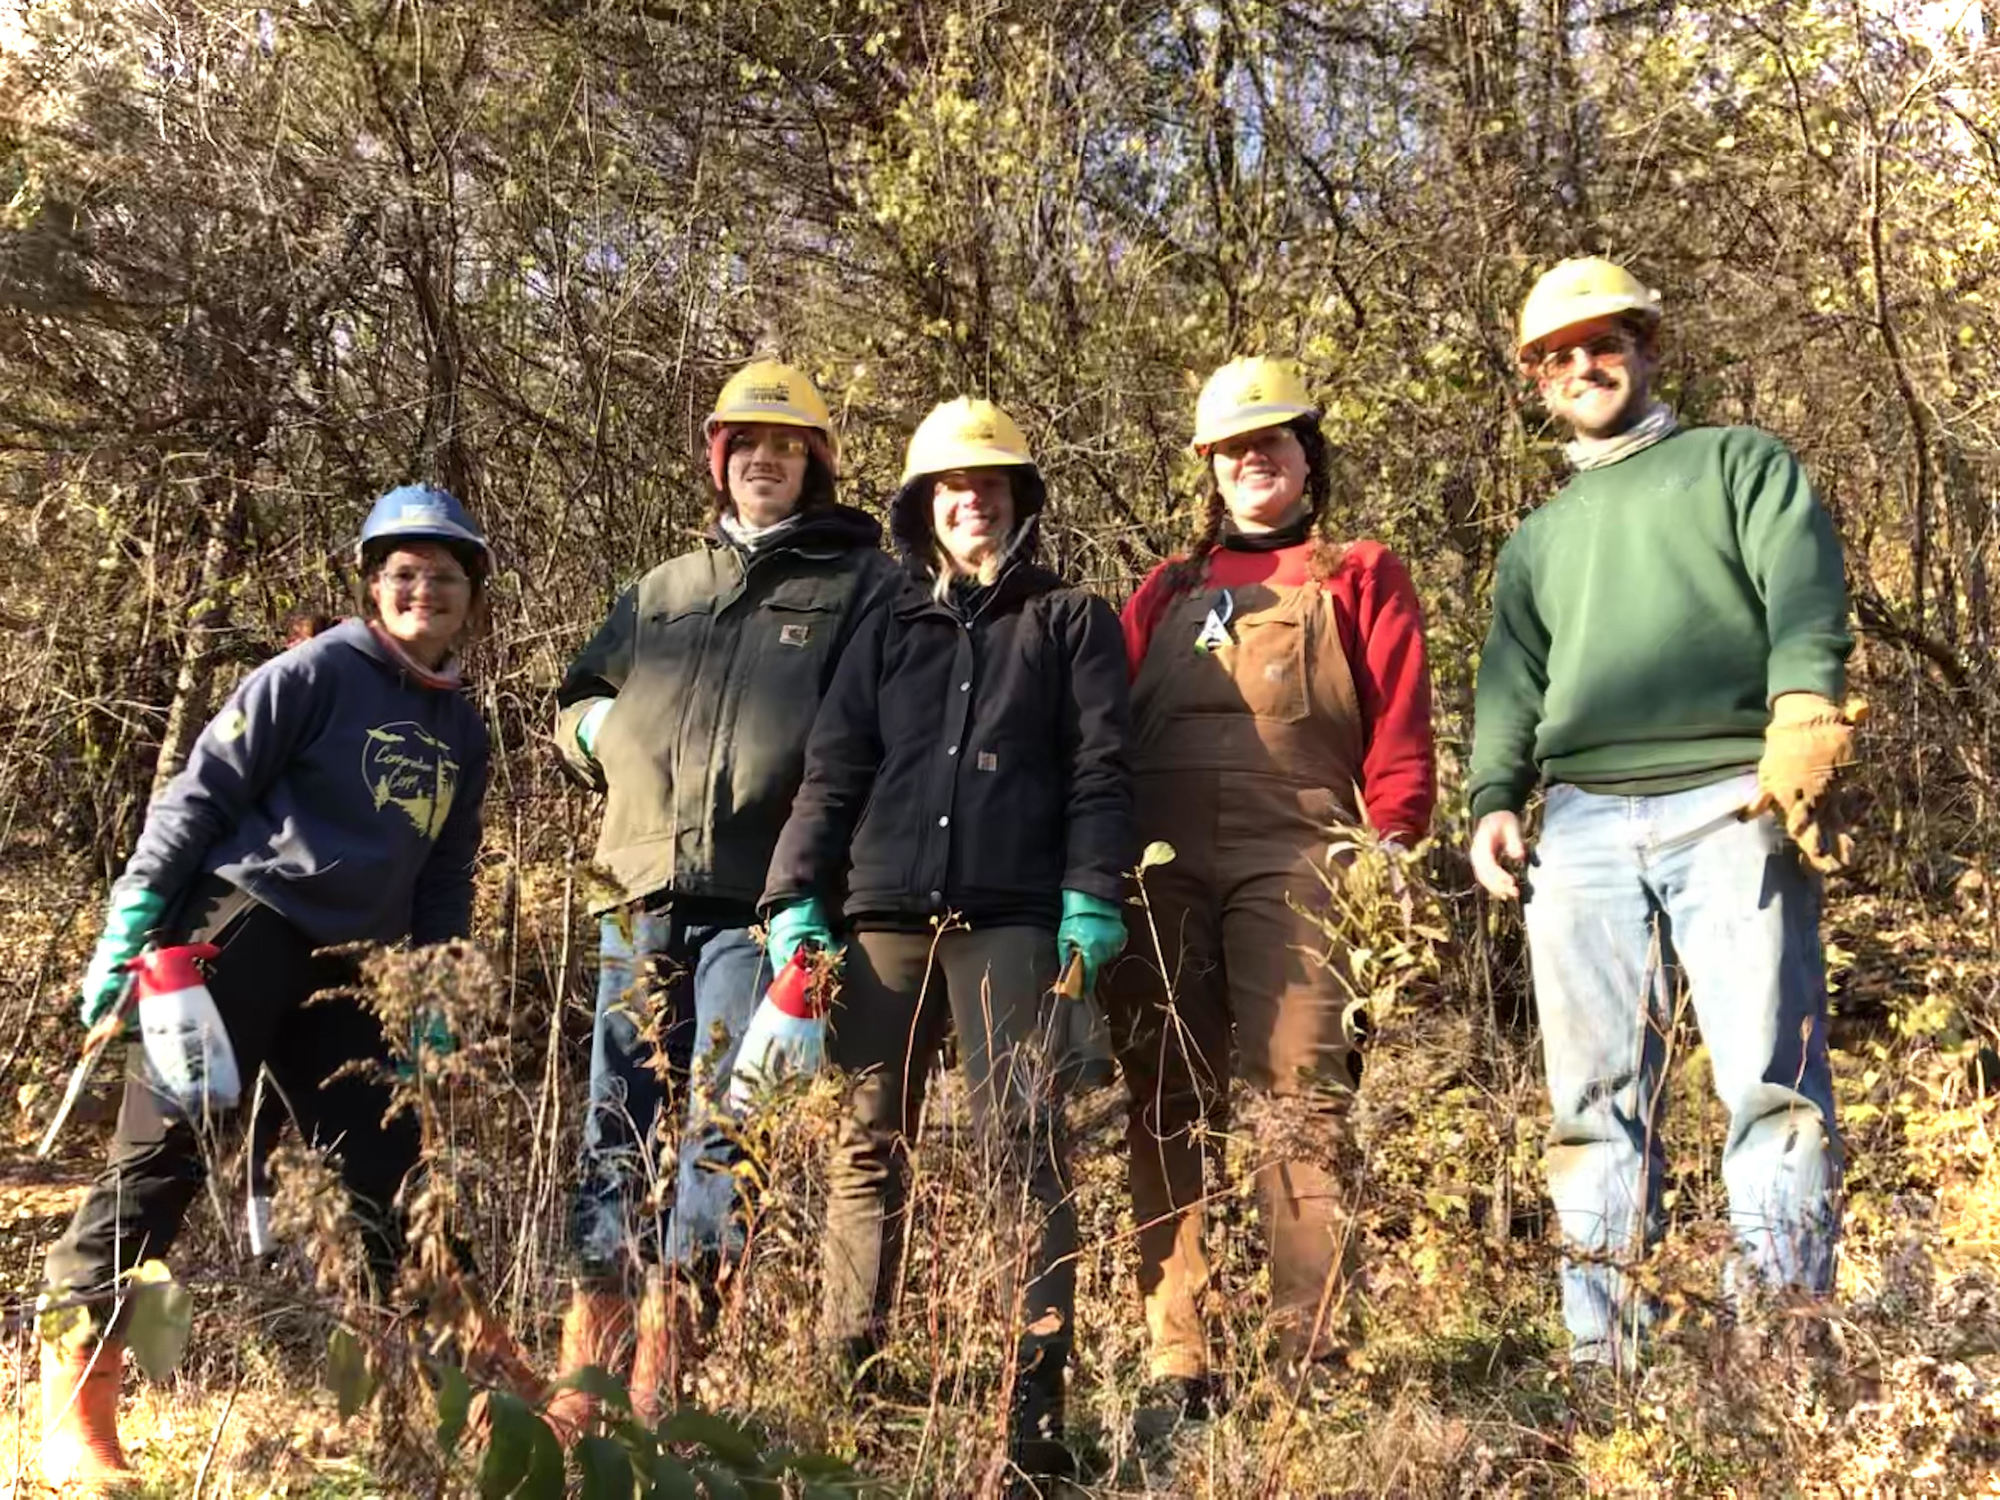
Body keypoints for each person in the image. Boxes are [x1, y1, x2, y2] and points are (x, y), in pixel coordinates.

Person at [36, 484, 510, 1488]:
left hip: (351, 964)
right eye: (402, 574)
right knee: (166, 1151)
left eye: (444, 575)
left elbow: (443, 874)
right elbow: (199, 791)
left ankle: (451, 1389)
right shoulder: (316, 671)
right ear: (374, 588)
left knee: (392, 1163)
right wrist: (133, 918)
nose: (423, 588)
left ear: (471, 595)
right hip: (239, 927)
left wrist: (430, 993)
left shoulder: (462, 731)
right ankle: (78, 1396)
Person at [1467, 257, 1854, 1372]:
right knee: (1588, 1111)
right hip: (1580, 826)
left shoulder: (1738, 463)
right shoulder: (1536, 539)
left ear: (1644, 349)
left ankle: (1782, 1369)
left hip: (1730, 800)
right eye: (1557, 355)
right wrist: (1494, 802)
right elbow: (1508, 689)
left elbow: (1803, 596)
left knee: (1770, 1093)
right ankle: (1606, 1371)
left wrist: (1799, 718)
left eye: (1605, 343)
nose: (1583, 366)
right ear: (1537, 381)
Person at [761, 397, 1133, 1492]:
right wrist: (796, 896)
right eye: (951, 488)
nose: (972, 501)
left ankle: (1033, 1403)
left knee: (1023, 1147)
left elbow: (1100, 769)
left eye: (992, 485)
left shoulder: (1071, 620)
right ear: (923, 505)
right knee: (864, 1144)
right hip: (880, 922)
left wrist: (1090, 896)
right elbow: (832, 771)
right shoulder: (887, 627)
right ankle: (849, 1375)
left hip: (1014, 920)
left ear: (1019, 500)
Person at [548, 360, 899, 1429]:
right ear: (719, 459)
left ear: (815, 467)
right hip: (639, 884)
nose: (764, 462)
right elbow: (578, 693)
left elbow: (876, 732)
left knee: (723, 1130)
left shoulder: (860, 587)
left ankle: (667, 1368)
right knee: (615, 1118)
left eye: (786, 448)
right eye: (745, 445)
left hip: (764, 902)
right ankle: (586, 1372)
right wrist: (598, 737)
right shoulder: (662, 589)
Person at [1105, 357, 1435, 1414]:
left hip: (1301, 851)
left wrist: (1392, 844)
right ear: (1208, 466)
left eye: (1274, 441)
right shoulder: (1162, 589)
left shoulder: (1361, 573)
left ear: (1306, 456)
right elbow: (1102, 732)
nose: (1255, 458)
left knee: (1300, 1100)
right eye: (1234, 446)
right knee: (1163, 1097)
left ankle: (1309, 1355)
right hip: (1158, 868)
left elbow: (1399, 730)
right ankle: (1177, 1357)